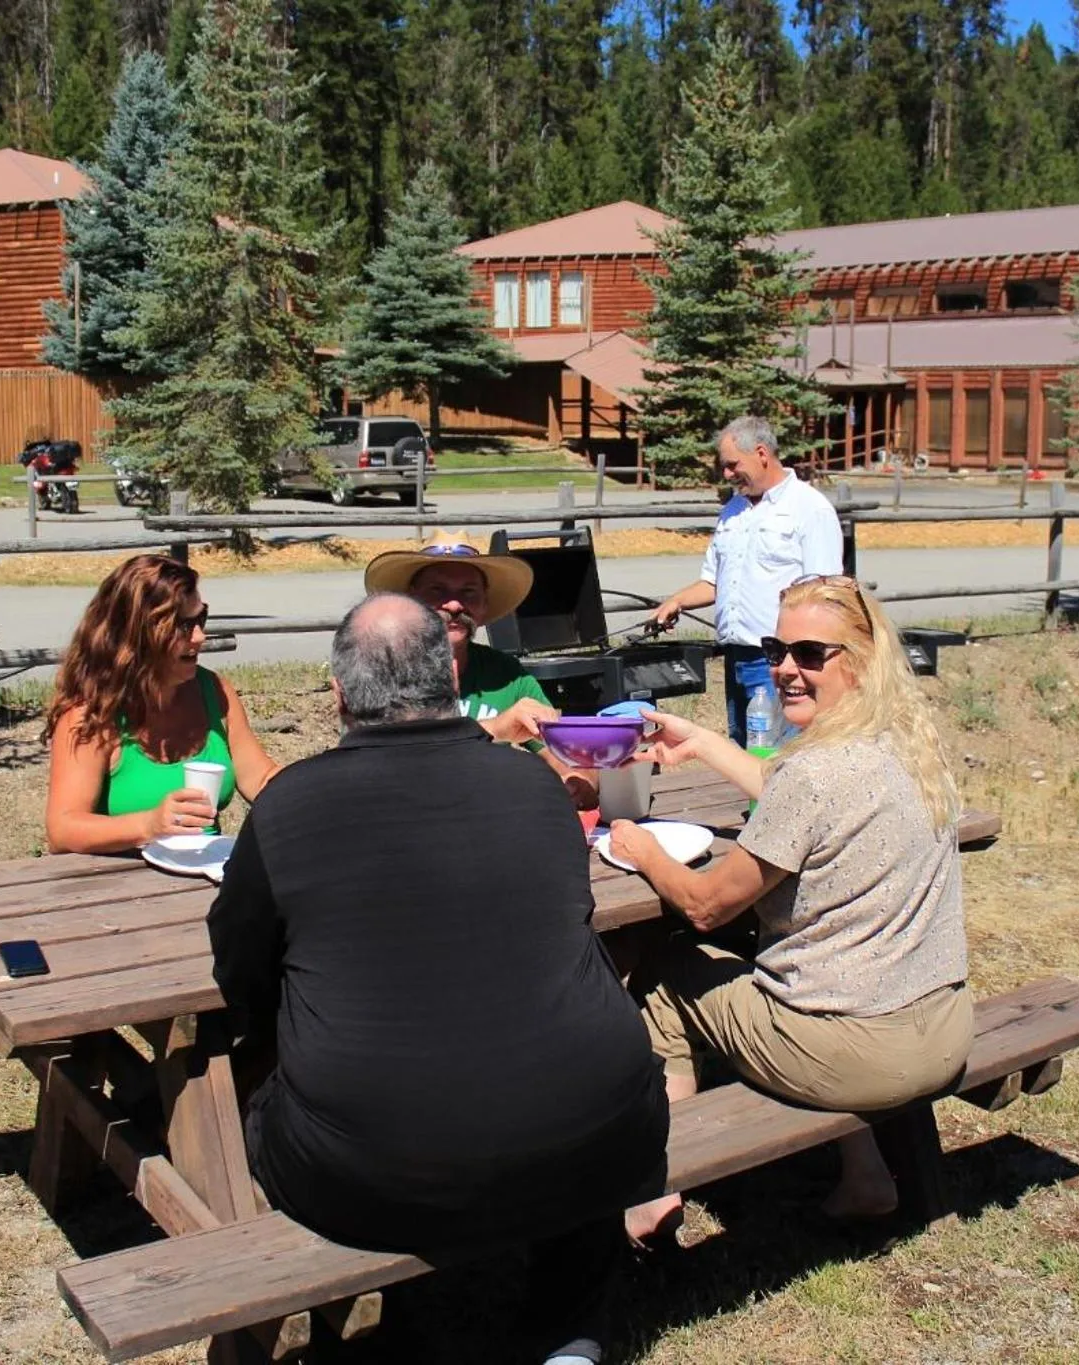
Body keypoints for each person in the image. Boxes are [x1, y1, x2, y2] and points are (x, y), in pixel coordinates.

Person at [209, 593, 669, 1364]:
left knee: (258, 1099)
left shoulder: (290, 806)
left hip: (374, 1162)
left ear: (340, 695)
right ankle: (569, 1334)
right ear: (447, 681)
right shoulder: (535, 790)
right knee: (567, 1107)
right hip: (600, 1126)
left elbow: (240, 972)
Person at [610, 574, 971, 1239]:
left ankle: (656, 1190)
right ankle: (868, 1173)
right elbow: (789, 793)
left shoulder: (816, 773)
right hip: (944, 1032)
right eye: (777, 648)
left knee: (667, 972)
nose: (783, 667)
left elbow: (706, 906)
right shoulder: (905, 744)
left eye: (810, 654)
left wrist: (639, 849)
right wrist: (701, 741)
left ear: (859, 663)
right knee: (772, 949)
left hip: (856, 1053)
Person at [44, 555, 281, 853]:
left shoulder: (216, 692)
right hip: (115, 885)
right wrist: (149, 825)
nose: (200, 636)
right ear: (138, 632)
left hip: (204, 873)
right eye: (183, 625)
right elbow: (62, 831)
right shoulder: (91, 714)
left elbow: (260, 778)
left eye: (201, 619)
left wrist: (318, 788)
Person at [647, 415, 844, 745]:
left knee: (778, 756)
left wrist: (798, 664)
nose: (726, 474)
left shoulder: (809, 509)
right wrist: (676, 601)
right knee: (744, 753)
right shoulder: (733, 511)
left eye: (732, 464)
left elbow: (823, 593)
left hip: (781, 664)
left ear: (762, 453)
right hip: (736, 660)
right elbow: (713, 581)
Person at [363, 536, 558, 742]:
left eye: (468, 592)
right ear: (411, 601)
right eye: (437, 590)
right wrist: (496, 729)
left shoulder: (506, 675)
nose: (454, 605)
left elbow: (570, 760)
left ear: (484, 603)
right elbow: (380, 753)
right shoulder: (382, 673)